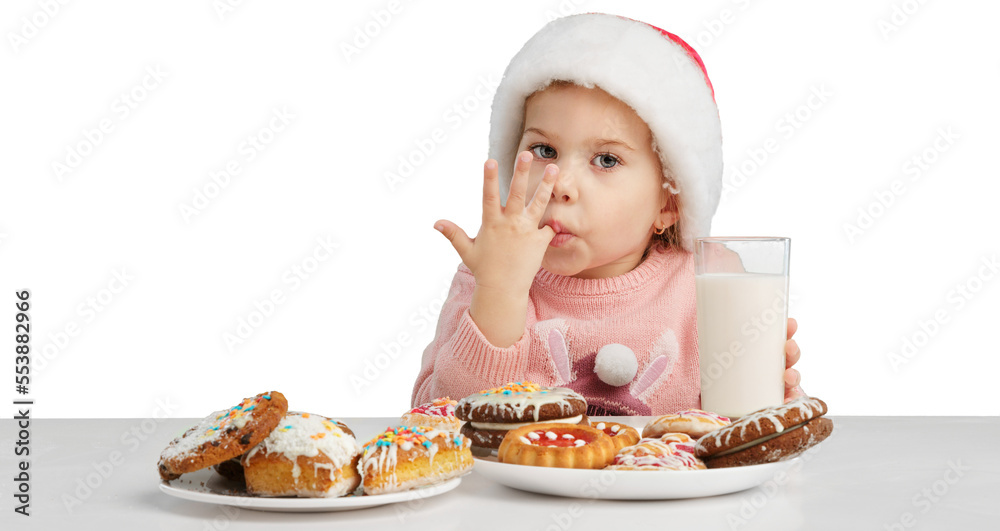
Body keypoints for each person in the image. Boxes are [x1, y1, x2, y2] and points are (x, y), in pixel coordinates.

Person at [411, 13, 804, 415]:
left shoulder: (707, 287)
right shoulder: (487, 274)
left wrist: (774, 391)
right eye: (545, 150)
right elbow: (441, 418)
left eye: (605, 159)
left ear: (669, 204)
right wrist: (500, 293)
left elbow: (741, 431)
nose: (560, 182)